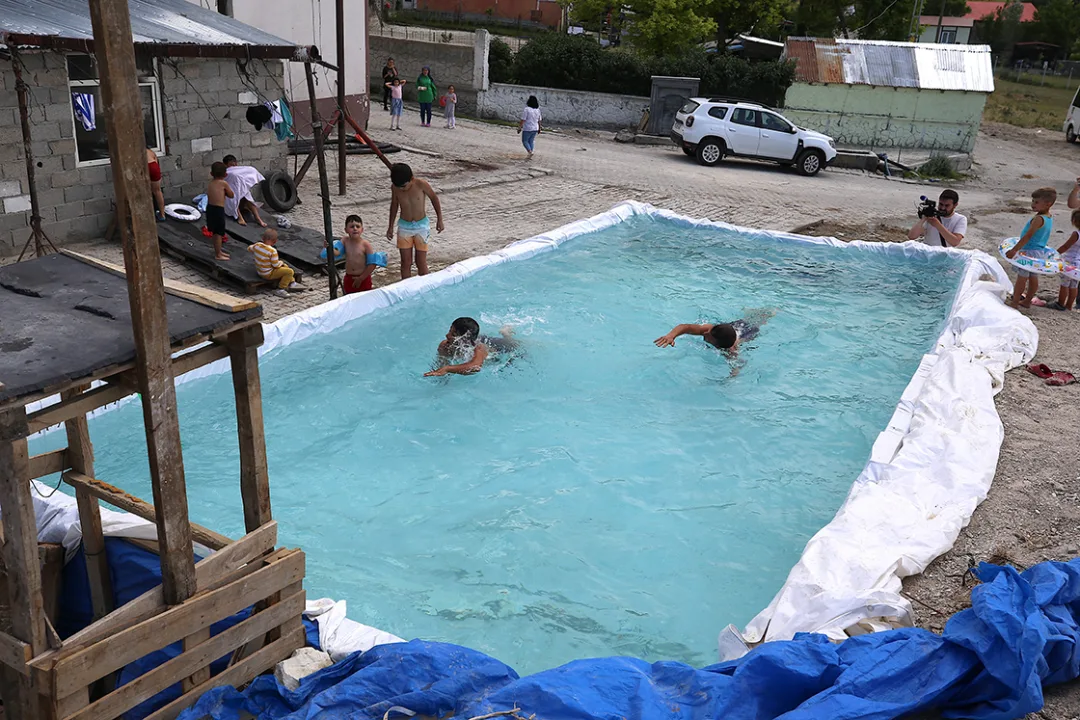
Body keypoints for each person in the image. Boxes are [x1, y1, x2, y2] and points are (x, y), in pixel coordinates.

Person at [654, 309, 774, 377]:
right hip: (737, 326)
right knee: (752, 317)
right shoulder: (708, 329)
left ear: (718, 345)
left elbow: (736, 368)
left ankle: (773, 312)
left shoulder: (730, 350)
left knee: (760, 322)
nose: (705, 335)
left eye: (709, 336)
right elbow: (685, 327)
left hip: (748, 332)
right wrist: (671, 335)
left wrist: (729, 381)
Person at [386, 163, 444, 280]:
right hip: (404, 227)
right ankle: (406, 287)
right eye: (399, 187)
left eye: (404, 186)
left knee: (420, 262)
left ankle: (425, 285)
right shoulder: (395, 188)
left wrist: (440, 219)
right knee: (405, 262)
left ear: (412, 179)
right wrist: (390, 226)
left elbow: (434, 198)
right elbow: (394, 205)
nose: (402, 189)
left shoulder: (421, 184)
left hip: (421, 227)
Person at [1007, 187, 1058, 309]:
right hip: (1039, 252)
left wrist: (1014, 249)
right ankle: (1027, 301)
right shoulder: (1048, 217)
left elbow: (1028, 236)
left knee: (1022, 277)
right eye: (1032, 201)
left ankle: (1015, 302)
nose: (1032, 204)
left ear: (1047, 204)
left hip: (1028, 251)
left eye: (1036, 202)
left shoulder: (1038, 219)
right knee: (1033, 277)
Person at [425, 317, 517, 377]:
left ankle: (506, 333)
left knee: (513, 343)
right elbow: (441, 365)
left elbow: (475, 367)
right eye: (449, 331)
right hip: (477, 338)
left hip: (499, 346)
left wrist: (448, 369)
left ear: (464, 339)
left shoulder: (479, 349)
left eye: (453, 334)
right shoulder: (444, 346)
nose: (447, 335)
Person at [247, 228, 301, 298]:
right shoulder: (272, 251)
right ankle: (281, 289)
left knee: (285, 267)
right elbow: (275, 265)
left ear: (263, 238)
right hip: (268, 273)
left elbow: (249, 248)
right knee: (289, 271)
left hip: (260, 271)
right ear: (275, 241)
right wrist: (281, 263)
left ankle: (292, 282)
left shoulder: (257, 245)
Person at [222, 154, 266, 227]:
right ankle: (240, 217)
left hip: (241, 189)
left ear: (236, 163)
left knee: (248, 198)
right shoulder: (226, 172)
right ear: (225, 165)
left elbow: (251, 171)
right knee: (233, 199)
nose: (232, 167)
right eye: (230, 165)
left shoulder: (240, 170)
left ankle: (258, 218)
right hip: (230, 192)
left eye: (234, 164)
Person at [340, 214, 379, 294]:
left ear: (362, 229)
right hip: (349, 278)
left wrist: (361, 278)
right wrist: (327, 246)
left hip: (363, 278)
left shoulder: (365, 245)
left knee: (364, 300)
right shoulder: (345, 241)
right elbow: (335, 251)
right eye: (352, 227)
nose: (355, 229)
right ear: (346, 230)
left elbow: (372, 264)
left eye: (357, 226)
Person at [1051, 209, 1080, 310]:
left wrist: (1054, 253)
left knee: (1064, 284)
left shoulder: (1076, 234)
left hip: (1069, 262)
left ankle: (1060, 303)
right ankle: (1069, 305)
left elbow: (1065, 246)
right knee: (1074, 285)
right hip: (1078, 264)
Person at [206, 162, 234, 261]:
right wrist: (227, 192)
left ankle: (218, 251)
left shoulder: (211, 183)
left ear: (211, 173)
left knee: (214, 232)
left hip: (210, 208)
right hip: (218, 210)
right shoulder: (223, 183)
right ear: (225, 175)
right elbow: (231, 195)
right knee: (218, 233)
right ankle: (218, 254)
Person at [147, 147, 165, 222]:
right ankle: (162, 214)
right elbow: (156, 163)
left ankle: (148, 216)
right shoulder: (150, 152)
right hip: (154, 166)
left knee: (143, 191)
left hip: (145, 166)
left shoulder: (133, 151)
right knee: (157, 191)